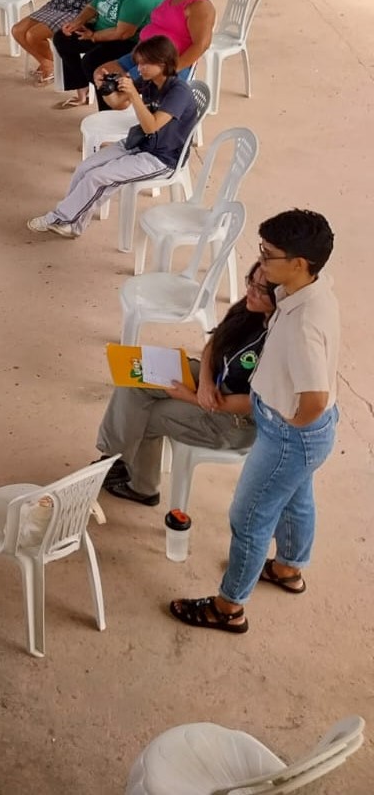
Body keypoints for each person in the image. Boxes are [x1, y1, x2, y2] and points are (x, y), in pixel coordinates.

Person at [171, 210, 340, 634]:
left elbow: (315, 399)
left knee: (248, 517)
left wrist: (287, 421)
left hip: (289, 433)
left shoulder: (303, 325)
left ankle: (228, 608)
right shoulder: (310, 289)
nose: (261, 262)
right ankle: (288, 569)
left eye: (268, 255)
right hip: (303, 434)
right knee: (296, 499)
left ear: (299, 263)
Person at [95, 263, 275, 504]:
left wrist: (191, 397)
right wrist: (205, 383)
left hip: (234, 420)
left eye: (261, 289)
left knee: (148, 415)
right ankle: (114, 460)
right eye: (250, 281)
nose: (251, 291)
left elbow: (253, 404)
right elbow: (215, 341)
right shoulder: (250, 308)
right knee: (135, 375)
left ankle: (142, 488)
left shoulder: (278, 340)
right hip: (215, 382)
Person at [25, 36, 198, 238]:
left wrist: (134, 95)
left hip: (162, 157)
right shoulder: (150, 80)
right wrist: (105, 88)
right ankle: (73, 222)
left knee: (97, 178)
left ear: (162, 64)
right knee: (84, 168)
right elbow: (117, 103)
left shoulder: (179, 92)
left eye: (144, 64)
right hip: (140, 142)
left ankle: (61, 218)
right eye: (138, 63)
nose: (139, 68)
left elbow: (151, 126)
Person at [52, 0, 162, 109]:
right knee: (63, 38)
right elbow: (93, 5)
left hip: (130, 42)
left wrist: (93, 36)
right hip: (104, 29)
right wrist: (76, 23)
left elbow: (123, 33)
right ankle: (83, 87)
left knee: (93, 63)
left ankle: (107, 108)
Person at [92, 0, 214, 86]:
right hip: (143, 55)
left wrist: (171, 70)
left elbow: (201, 45)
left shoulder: (200, 7)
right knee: (101, 74)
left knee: (118, 87)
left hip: (163, 64)